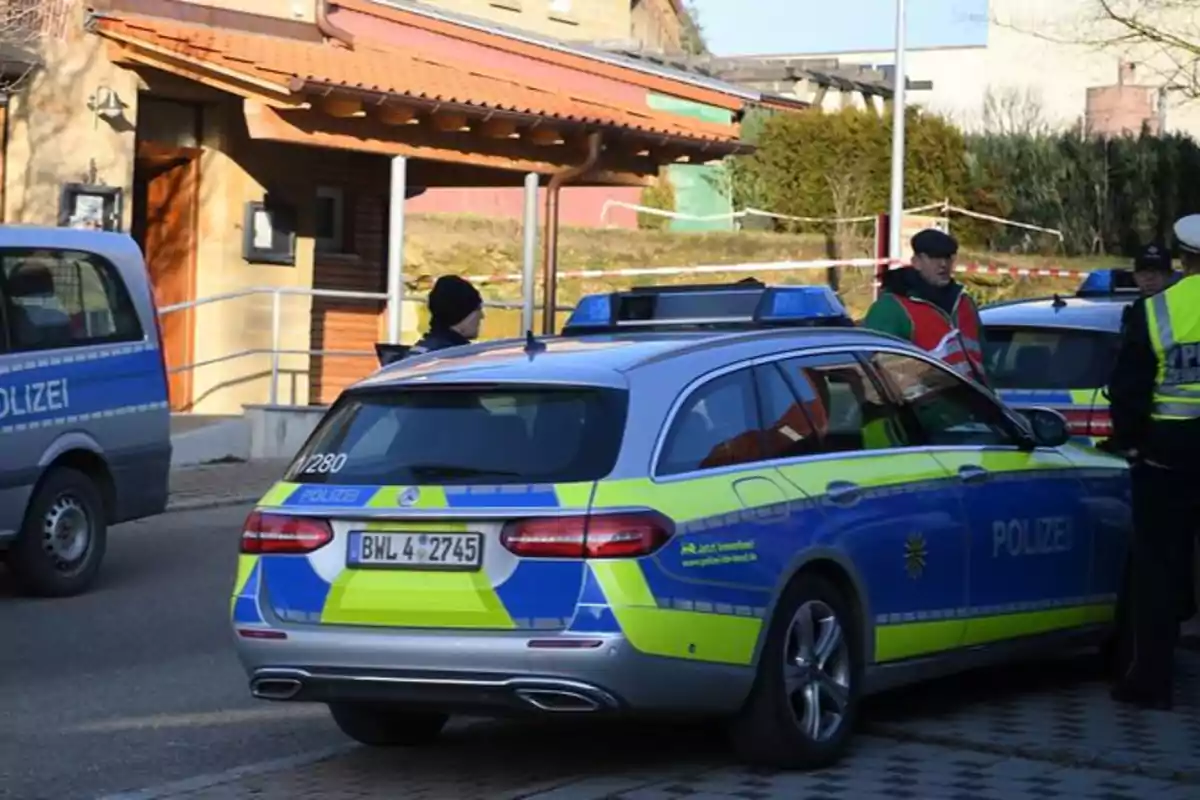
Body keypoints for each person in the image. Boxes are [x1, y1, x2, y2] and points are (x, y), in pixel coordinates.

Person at [1105, 213, 1200, 711]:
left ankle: (1150, 681)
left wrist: (1135, 446)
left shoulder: (1156, 312)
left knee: (1157, 569)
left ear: (1183, 259)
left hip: (1168, 458)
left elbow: (1129, 390)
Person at [861, 228, 989, 386]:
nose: (943, 264)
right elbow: (880, 373)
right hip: (923, 407)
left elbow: (983, 358)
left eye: (948, 257)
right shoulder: (891, 308)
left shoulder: (964, 303)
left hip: (974, 405)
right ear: (917, 262)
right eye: (934, 257)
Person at [409, 275, 484, 356]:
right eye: (478, 309)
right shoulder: (455, 357)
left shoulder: (422, 351)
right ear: (460, 315)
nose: (482, 316)